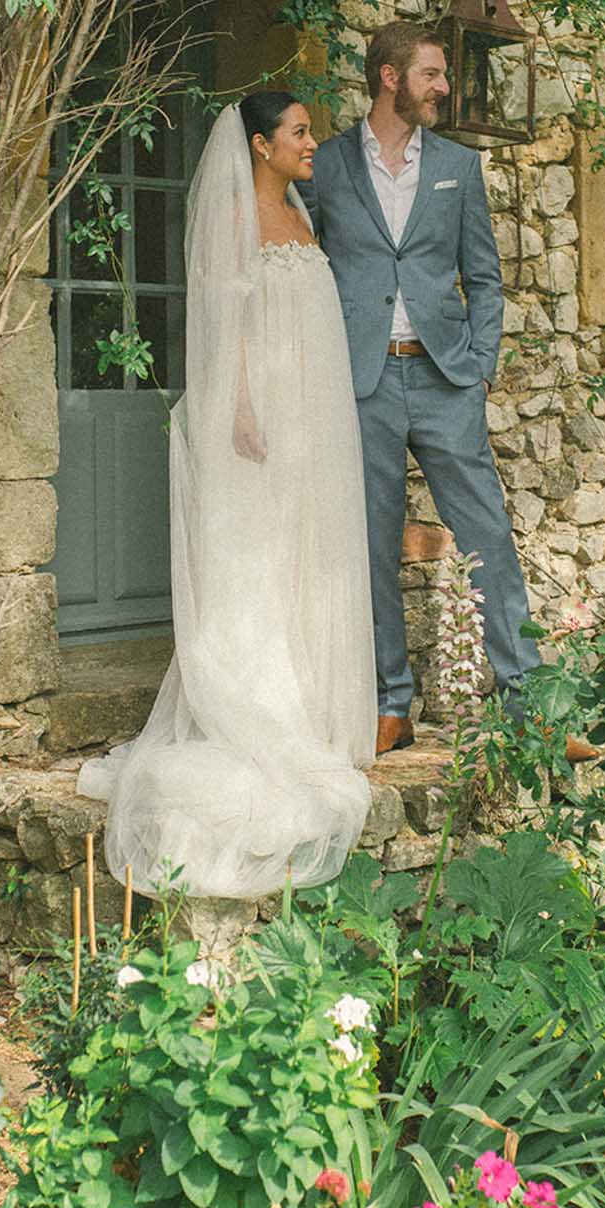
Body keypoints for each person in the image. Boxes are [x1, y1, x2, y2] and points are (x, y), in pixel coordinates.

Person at [77, 94, 374, 899]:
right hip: (257, 419)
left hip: (310, 418)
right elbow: (221, 323)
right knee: (258, 557)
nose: (313, 144)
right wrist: (239, 407)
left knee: (306, 552)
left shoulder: (302, 215)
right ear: (259, 145)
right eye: (300, 133)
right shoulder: (233, 220)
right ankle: (264, 709)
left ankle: (316, 709)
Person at [300, 20, 540, 755]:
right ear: (390, 78)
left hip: (443, 377)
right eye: (432, 74)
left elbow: (486, 278)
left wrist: (479, 369)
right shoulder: (331, 165)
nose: (444, 87)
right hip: (362, 380)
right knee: (371, 544)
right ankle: (391, 704)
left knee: (488, 535)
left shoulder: (458, 168)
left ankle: (530, 703)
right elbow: (306, 273)